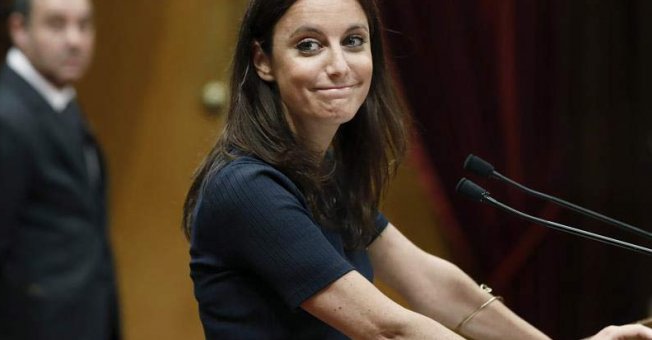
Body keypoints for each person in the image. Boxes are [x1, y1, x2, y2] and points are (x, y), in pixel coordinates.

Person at [183, 0, 652, 338]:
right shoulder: (246, 187)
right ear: (263, 61)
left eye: (353, 41)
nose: (339, 65)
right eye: (309, 46)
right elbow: (389, 328)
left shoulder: (324, 174)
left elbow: (435, 285)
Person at [0, 0, 120, 339]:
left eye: (84, 25)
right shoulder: (5, 118)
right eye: (56, 25)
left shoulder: (57, 99)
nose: (75, 40)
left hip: (83, 316)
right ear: (19, 30)